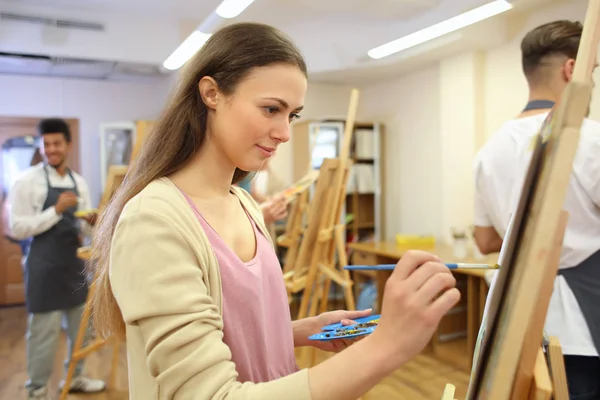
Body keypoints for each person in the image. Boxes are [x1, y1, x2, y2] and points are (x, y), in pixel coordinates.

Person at [89, 22, 460, 400]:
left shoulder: (244, 203)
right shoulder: (153, 220)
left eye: (292, 115)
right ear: (211, 93)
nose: (284, 132)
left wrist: (301, 330)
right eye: (271, 109)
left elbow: (230, 330)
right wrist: (386, 347)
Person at [473, 20, 600, 399]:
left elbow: (485, 240)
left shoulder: (489, 151)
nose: (592, 84)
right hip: (583, 324)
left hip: (517, 321)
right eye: (592, 72)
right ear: (571, 69)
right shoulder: (588, 136)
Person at [8, 118, 106, 400]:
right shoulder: (27, 182)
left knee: (80, 330)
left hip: (72, 266)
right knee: (43, 336)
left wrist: (91, 221)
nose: (51, 149)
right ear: (41, 146)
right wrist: (56, 210)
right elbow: (18, 227)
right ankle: (37, 391)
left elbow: (85, 230)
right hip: (42, 267)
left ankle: (76, 377)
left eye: (56, 143)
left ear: (68, 145)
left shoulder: (80, 182)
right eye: (46, 144)